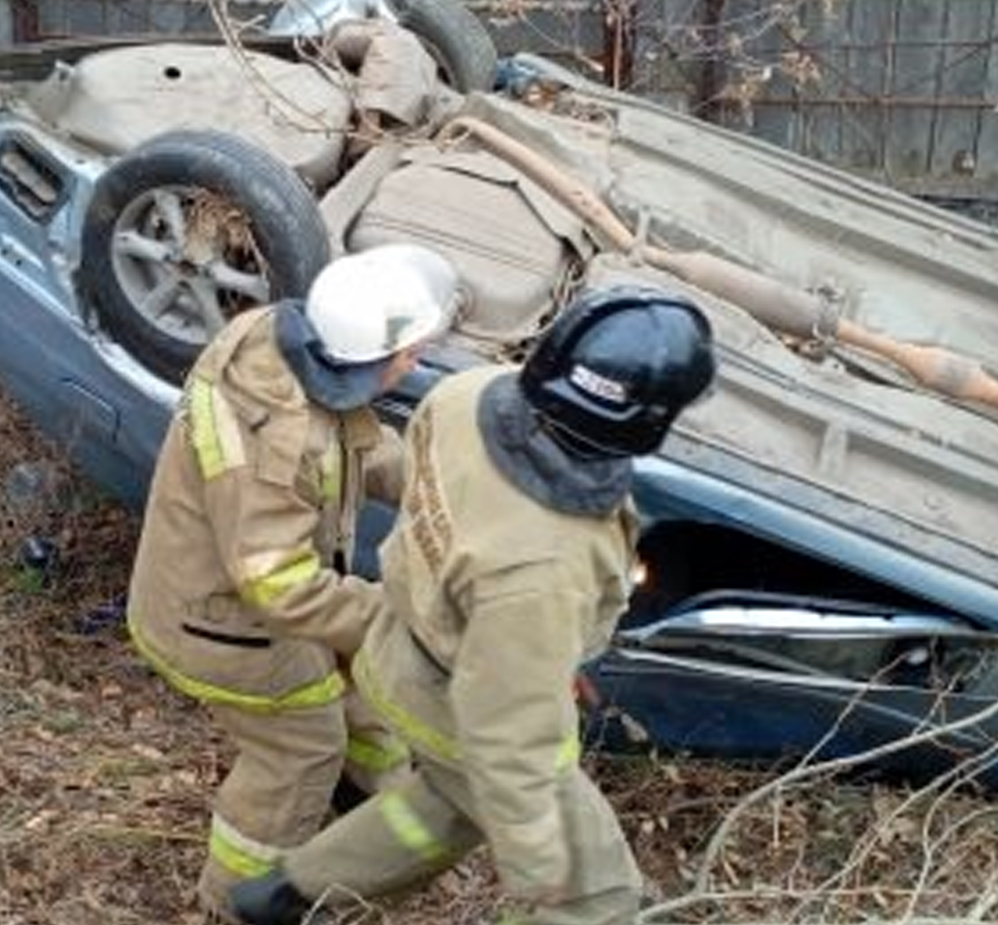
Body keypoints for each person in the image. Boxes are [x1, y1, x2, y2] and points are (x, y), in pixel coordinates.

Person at [228, 285, 718, 925]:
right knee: (595, 898)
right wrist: (539, 865)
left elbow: (463, 543)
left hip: (402, 642)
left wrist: (530, 648)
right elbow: (508, 738)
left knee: (441, 808)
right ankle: (290, 896)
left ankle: (285, 897)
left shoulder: (468, 395)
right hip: (457, 702)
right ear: (649, 421)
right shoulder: (544, 564)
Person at [125, 242, 461, 920]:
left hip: (242, 600)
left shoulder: (278, 341)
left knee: (364, 689)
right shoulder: (277, 443)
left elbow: (356, 442)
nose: (414, 363)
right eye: (408, 354)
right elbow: (279, 585)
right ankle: (237, 901)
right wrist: (395, 616)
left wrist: (443, 492)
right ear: (364, 358)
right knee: (303, 748)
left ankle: (365, 813)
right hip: (221, 625)